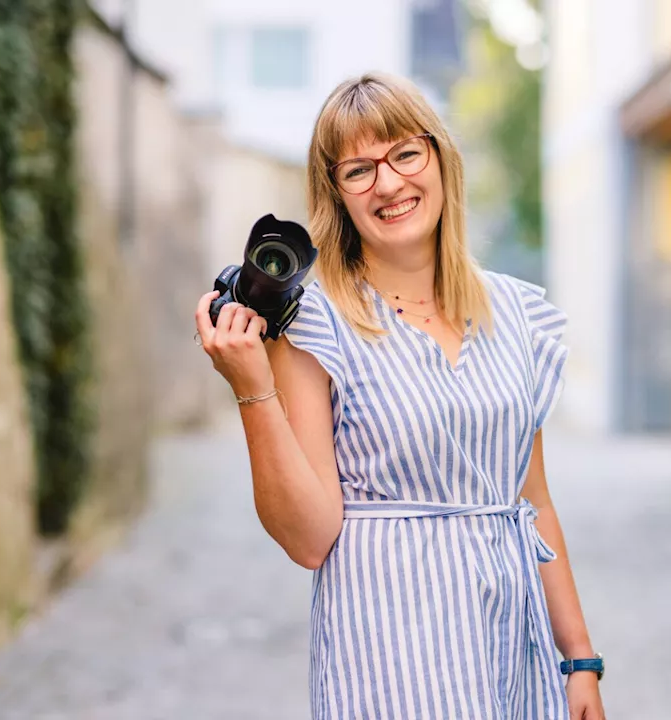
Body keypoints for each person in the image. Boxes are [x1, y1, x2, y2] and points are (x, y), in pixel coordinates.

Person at [193, 72, 606, 720]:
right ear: (338, 194)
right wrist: (254, 389)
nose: (388, 183)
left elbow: (533, 499)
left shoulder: (515, 312)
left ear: (439, 157)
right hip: (390, 660)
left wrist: (579, 659)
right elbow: (308, 538)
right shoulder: (315, 321)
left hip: (509, 652)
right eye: (358, 170)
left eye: (404, 154)